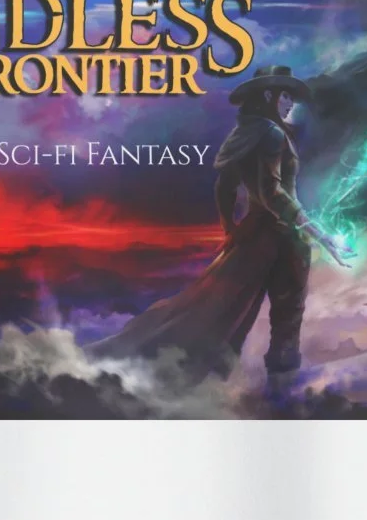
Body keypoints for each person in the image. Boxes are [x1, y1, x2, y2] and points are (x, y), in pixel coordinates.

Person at [96, 64, 340, 379]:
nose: (290, 103)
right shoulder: (272, 134)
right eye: (285, 96)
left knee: (223, 306)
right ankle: (281, 385)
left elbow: (225, 186)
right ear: (268, 95)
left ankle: (217, 375)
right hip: (282, 236)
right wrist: (315, 230)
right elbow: (272, 192)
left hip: (255, 233)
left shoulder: (244, 133)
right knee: (286, 313)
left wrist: (231, 229)